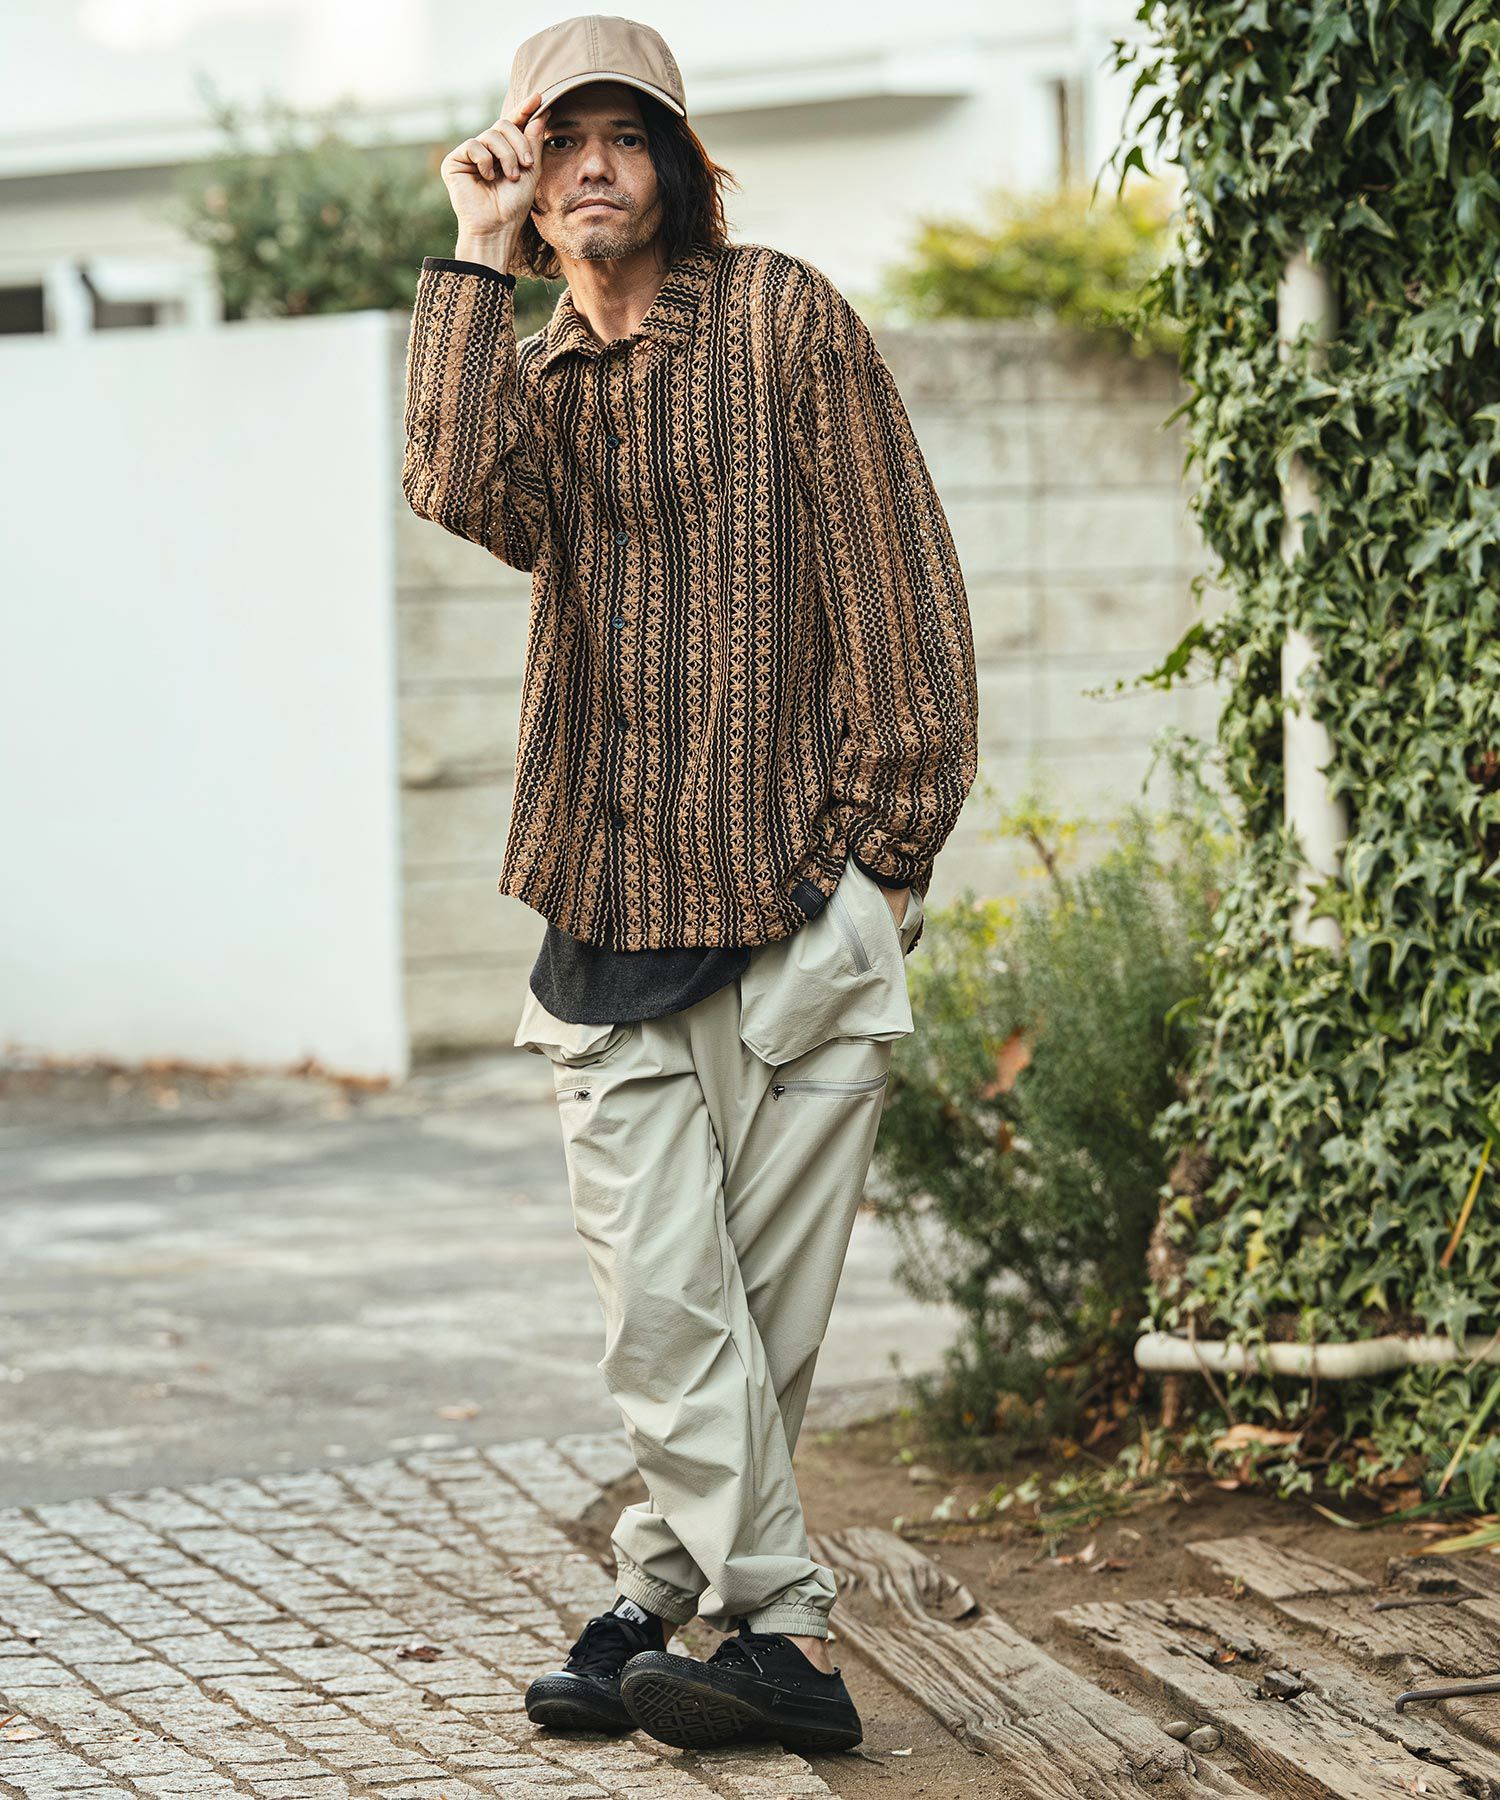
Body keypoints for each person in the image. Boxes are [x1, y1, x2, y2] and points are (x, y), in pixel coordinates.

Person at [401, 12, 978, 1757]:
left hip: (799, 898)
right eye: (558, 139)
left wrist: (886, 858)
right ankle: (787, 1644)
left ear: (676, 164)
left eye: (626, 135)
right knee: (667, 1307)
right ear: (524, 165)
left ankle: (651, 1600)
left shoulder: (785, 320)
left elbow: (900, 575)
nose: (594, 165)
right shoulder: (538, 386)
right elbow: (452, 484)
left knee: (754, 1323)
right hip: (605, 905)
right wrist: (472, 252)